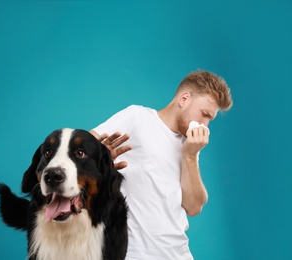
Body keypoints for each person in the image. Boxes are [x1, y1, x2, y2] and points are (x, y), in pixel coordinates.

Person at [90, 69, 233, 259]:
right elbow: (83, 146)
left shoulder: (188, 145)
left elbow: (194, 207)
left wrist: (190, 155)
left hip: (178, 254)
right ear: (184, 99)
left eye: (210, 119)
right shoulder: (138, 118)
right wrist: (100, 158)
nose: (204, 125)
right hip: (135, 253)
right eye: (204, 114)